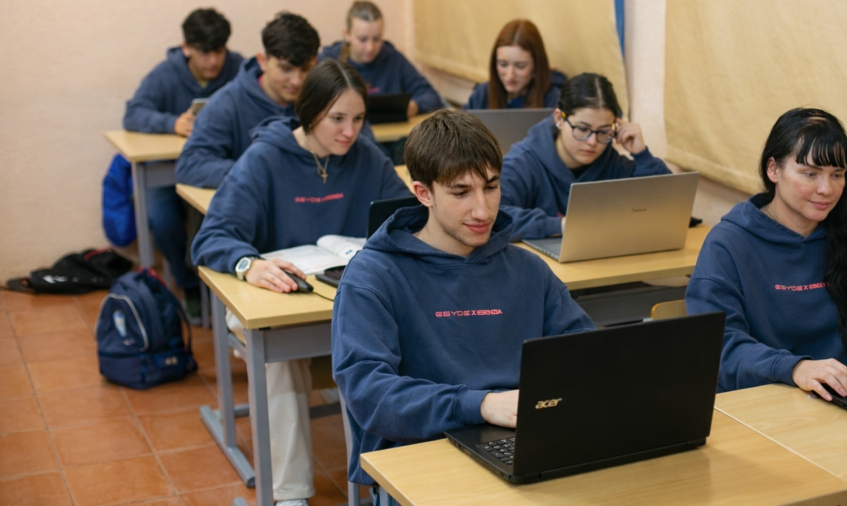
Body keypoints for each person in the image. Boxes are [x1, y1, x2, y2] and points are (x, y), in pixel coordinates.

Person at [332, 111, 595, 495]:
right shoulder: (373, 277)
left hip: (524, 444)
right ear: (423, 193)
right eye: (460, 193)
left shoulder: (528, 269)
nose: (483, 210)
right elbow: (371, 396)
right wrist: (480, 405)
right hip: (420, 458)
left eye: (491, 187)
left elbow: (585, 356)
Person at [192, 60, 409, 506]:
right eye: (337, 119)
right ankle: (289, 494)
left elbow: (405, 217)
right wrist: (246, 263)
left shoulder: (366, 155)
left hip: (346, 301)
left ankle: (377, 485)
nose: (350, 132)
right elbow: (212, 236)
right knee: (278, 361)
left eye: (358, 119)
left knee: (394, 343)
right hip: (276, 302)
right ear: (309, 112)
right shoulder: (265, 158)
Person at [685, 107, 847, 397]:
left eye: (837, 174)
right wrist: (794, 368)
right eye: (810, 173)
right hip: (770, 411)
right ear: (773, 170)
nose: (826, 189)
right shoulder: (728, 245)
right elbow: (719, 348)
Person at [122, 8, 243, 303]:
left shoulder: (240, 68)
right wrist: (171, 123)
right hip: (169, 169)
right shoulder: (165, 74)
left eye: (218, 51)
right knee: (162, 218)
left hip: (215, 168)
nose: (213, 61)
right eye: (204, 53)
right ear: (186, 47)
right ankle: (188, 284)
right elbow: (133, 113)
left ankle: (223, 291)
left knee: (232, 211)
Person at [499, 72, 671, 241]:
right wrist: (560, 225)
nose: (592, 142)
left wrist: (641, 155)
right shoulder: (522, 162)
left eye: (604, 131)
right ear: (559, 118)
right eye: (582, 129)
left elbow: (670, 207)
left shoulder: (611, 162)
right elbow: (495, 216)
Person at [176, 12, 320, 188]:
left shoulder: (323, 101)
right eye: (286, 69)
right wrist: (259, 173)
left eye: (306, 69)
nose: (297, 80)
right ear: (263, 61)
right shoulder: (226, 104)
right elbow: (190, 165)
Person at [320, 0, 443, 118]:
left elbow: (431, 96)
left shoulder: (394, 59)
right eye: (362, 39)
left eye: (377, 39)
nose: (370, 48)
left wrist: (415, 106)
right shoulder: (329, 62)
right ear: (347, 34)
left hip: (390, 137)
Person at [463, 18, 564, 110]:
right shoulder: (483, 94)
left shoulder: (552, 99)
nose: (510, 75)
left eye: (520, 66)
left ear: (536, 65)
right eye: (503, 64)